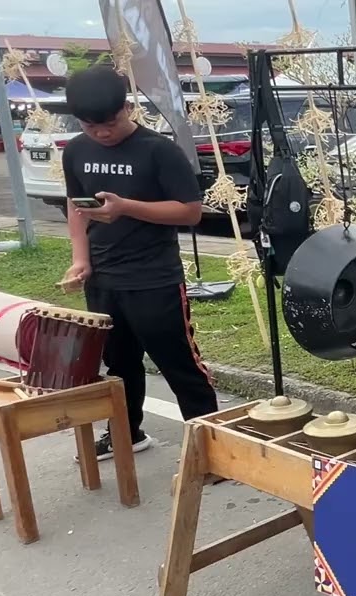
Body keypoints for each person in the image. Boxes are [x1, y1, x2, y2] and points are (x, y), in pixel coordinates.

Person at [58, 65, 218, 461]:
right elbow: (76, 206)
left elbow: (190, 211)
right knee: (118, 364)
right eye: (91, 126)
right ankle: (126, 434)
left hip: (154, 278)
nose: (102, 133)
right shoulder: (76, 151)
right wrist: (80, 259)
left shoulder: (158, 150)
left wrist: (126, 207)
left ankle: (213, 448)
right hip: (103, 279)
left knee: (179, 363)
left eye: (109, 123)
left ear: (127, 108)